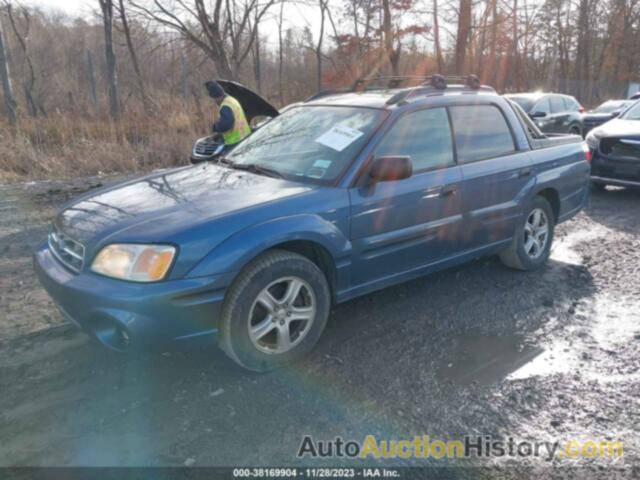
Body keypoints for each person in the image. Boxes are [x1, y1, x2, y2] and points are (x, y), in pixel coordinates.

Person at [205, 80, 251, 148]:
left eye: (214, 99)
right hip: (245, 137)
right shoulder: (232, 100)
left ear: (217, 97)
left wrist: (215, 127)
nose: (215, 102)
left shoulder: (225, 106)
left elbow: (226, 124)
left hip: (235, 142)